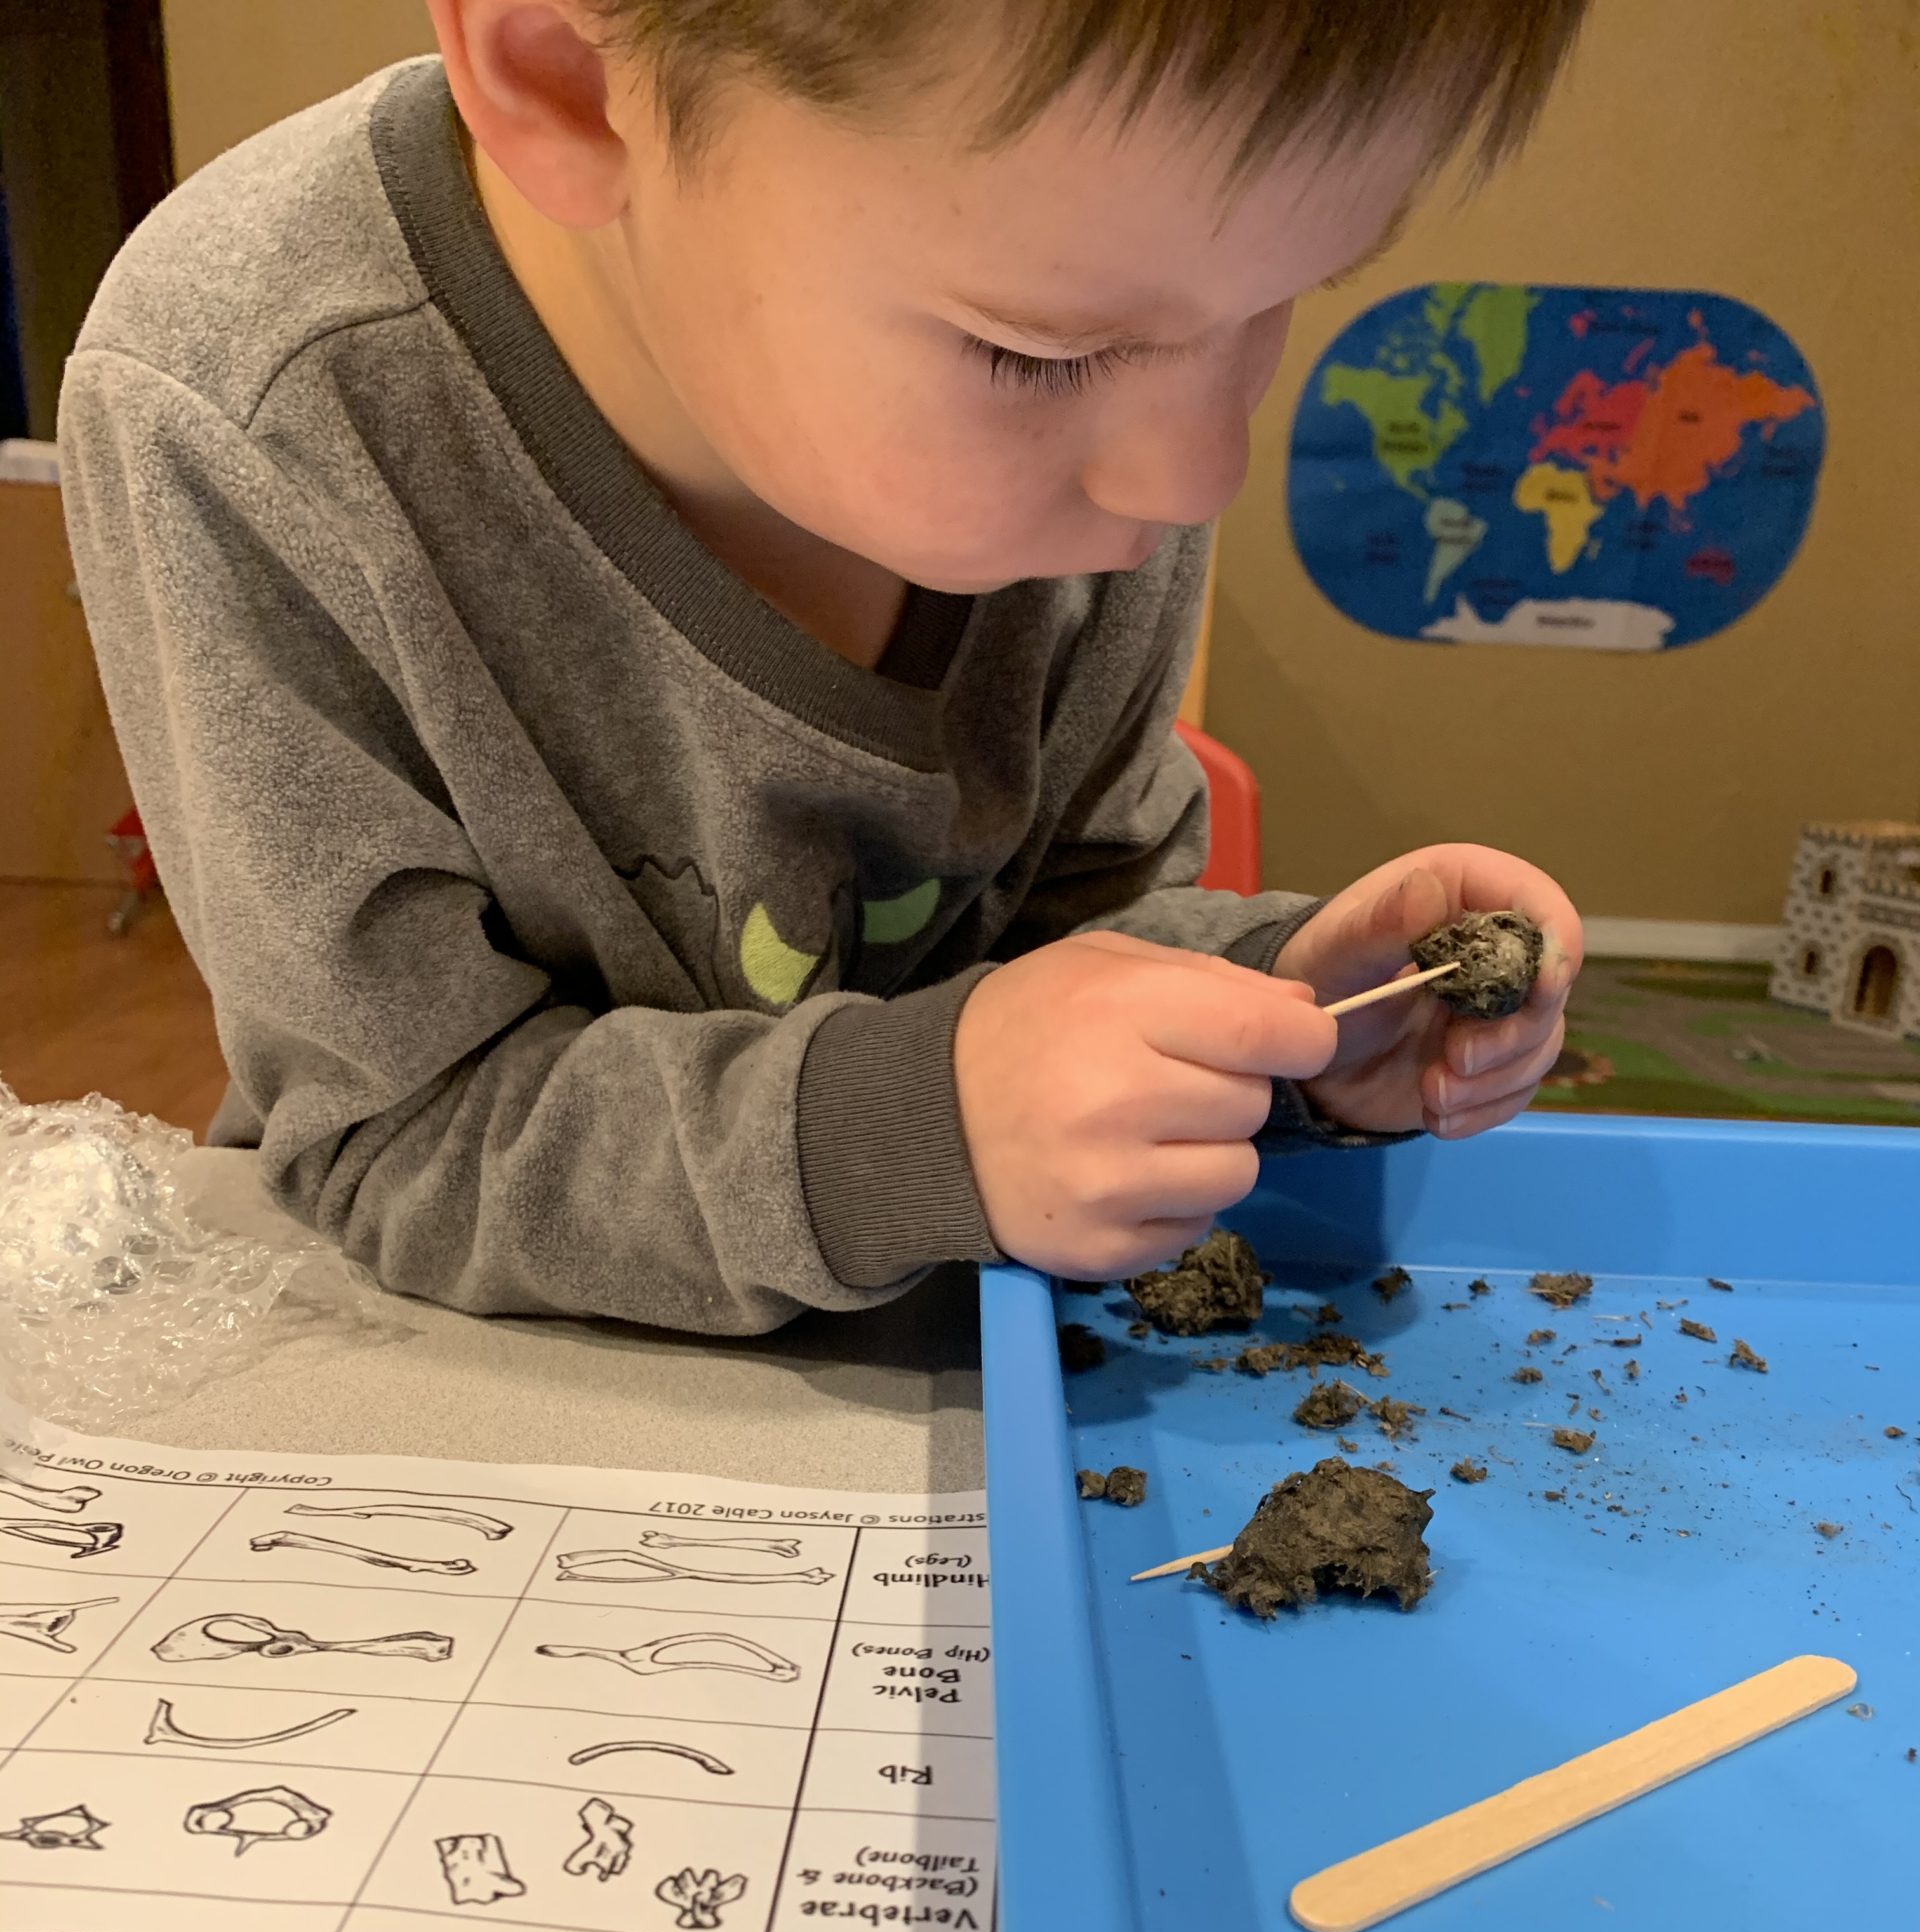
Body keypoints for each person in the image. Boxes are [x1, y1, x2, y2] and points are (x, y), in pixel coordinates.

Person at [60, 0, 1586, 1335]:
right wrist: (909, 1127)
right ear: (570, 86)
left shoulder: (1110, 413)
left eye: (1276, 306)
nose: (1194, 481)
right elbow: (400, 1137)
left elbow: (1083, 933)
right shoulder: (246, 403)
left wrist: (1284, 1013)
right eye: (1041, 354)